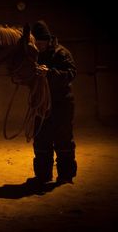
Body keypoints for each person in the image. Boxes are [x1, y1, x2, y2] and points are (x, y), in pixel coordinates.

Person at [29, 20, 77, 185]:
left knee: (63, 139)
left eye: (41, 43)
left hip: (61, 104)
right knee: (41, 139)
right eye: (36, 43)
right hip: (42, 104)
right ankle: (43, 175)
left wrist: (49, 73)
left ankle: (65, 176)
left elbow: (71, 73)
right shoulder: (34, 55)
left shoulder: (61, 53)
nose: (39, 46)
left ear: (48, 40)